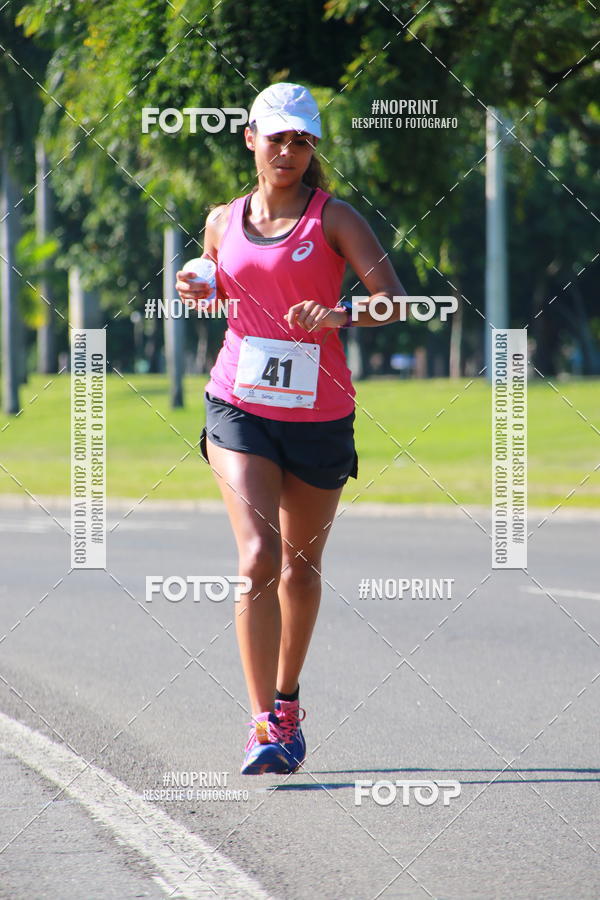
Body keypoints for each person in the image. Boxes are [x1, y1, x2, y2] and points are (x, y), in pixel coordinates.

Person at [176, 82, 406, 775]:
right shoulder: (222, 219)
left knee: (301, 571)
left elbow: (392, 304)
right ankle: (260, 727)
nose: (288, 150)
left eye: (301, 140)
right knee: (258, 560)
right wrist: (200, 288)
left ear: (312, 149)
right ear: (250, 138)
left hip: (320, 417)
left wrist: (338, 317)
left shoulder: (335, 219)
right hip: (238, 407)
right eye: (276, 137)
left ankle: (287, 705)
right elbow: (221, 291)